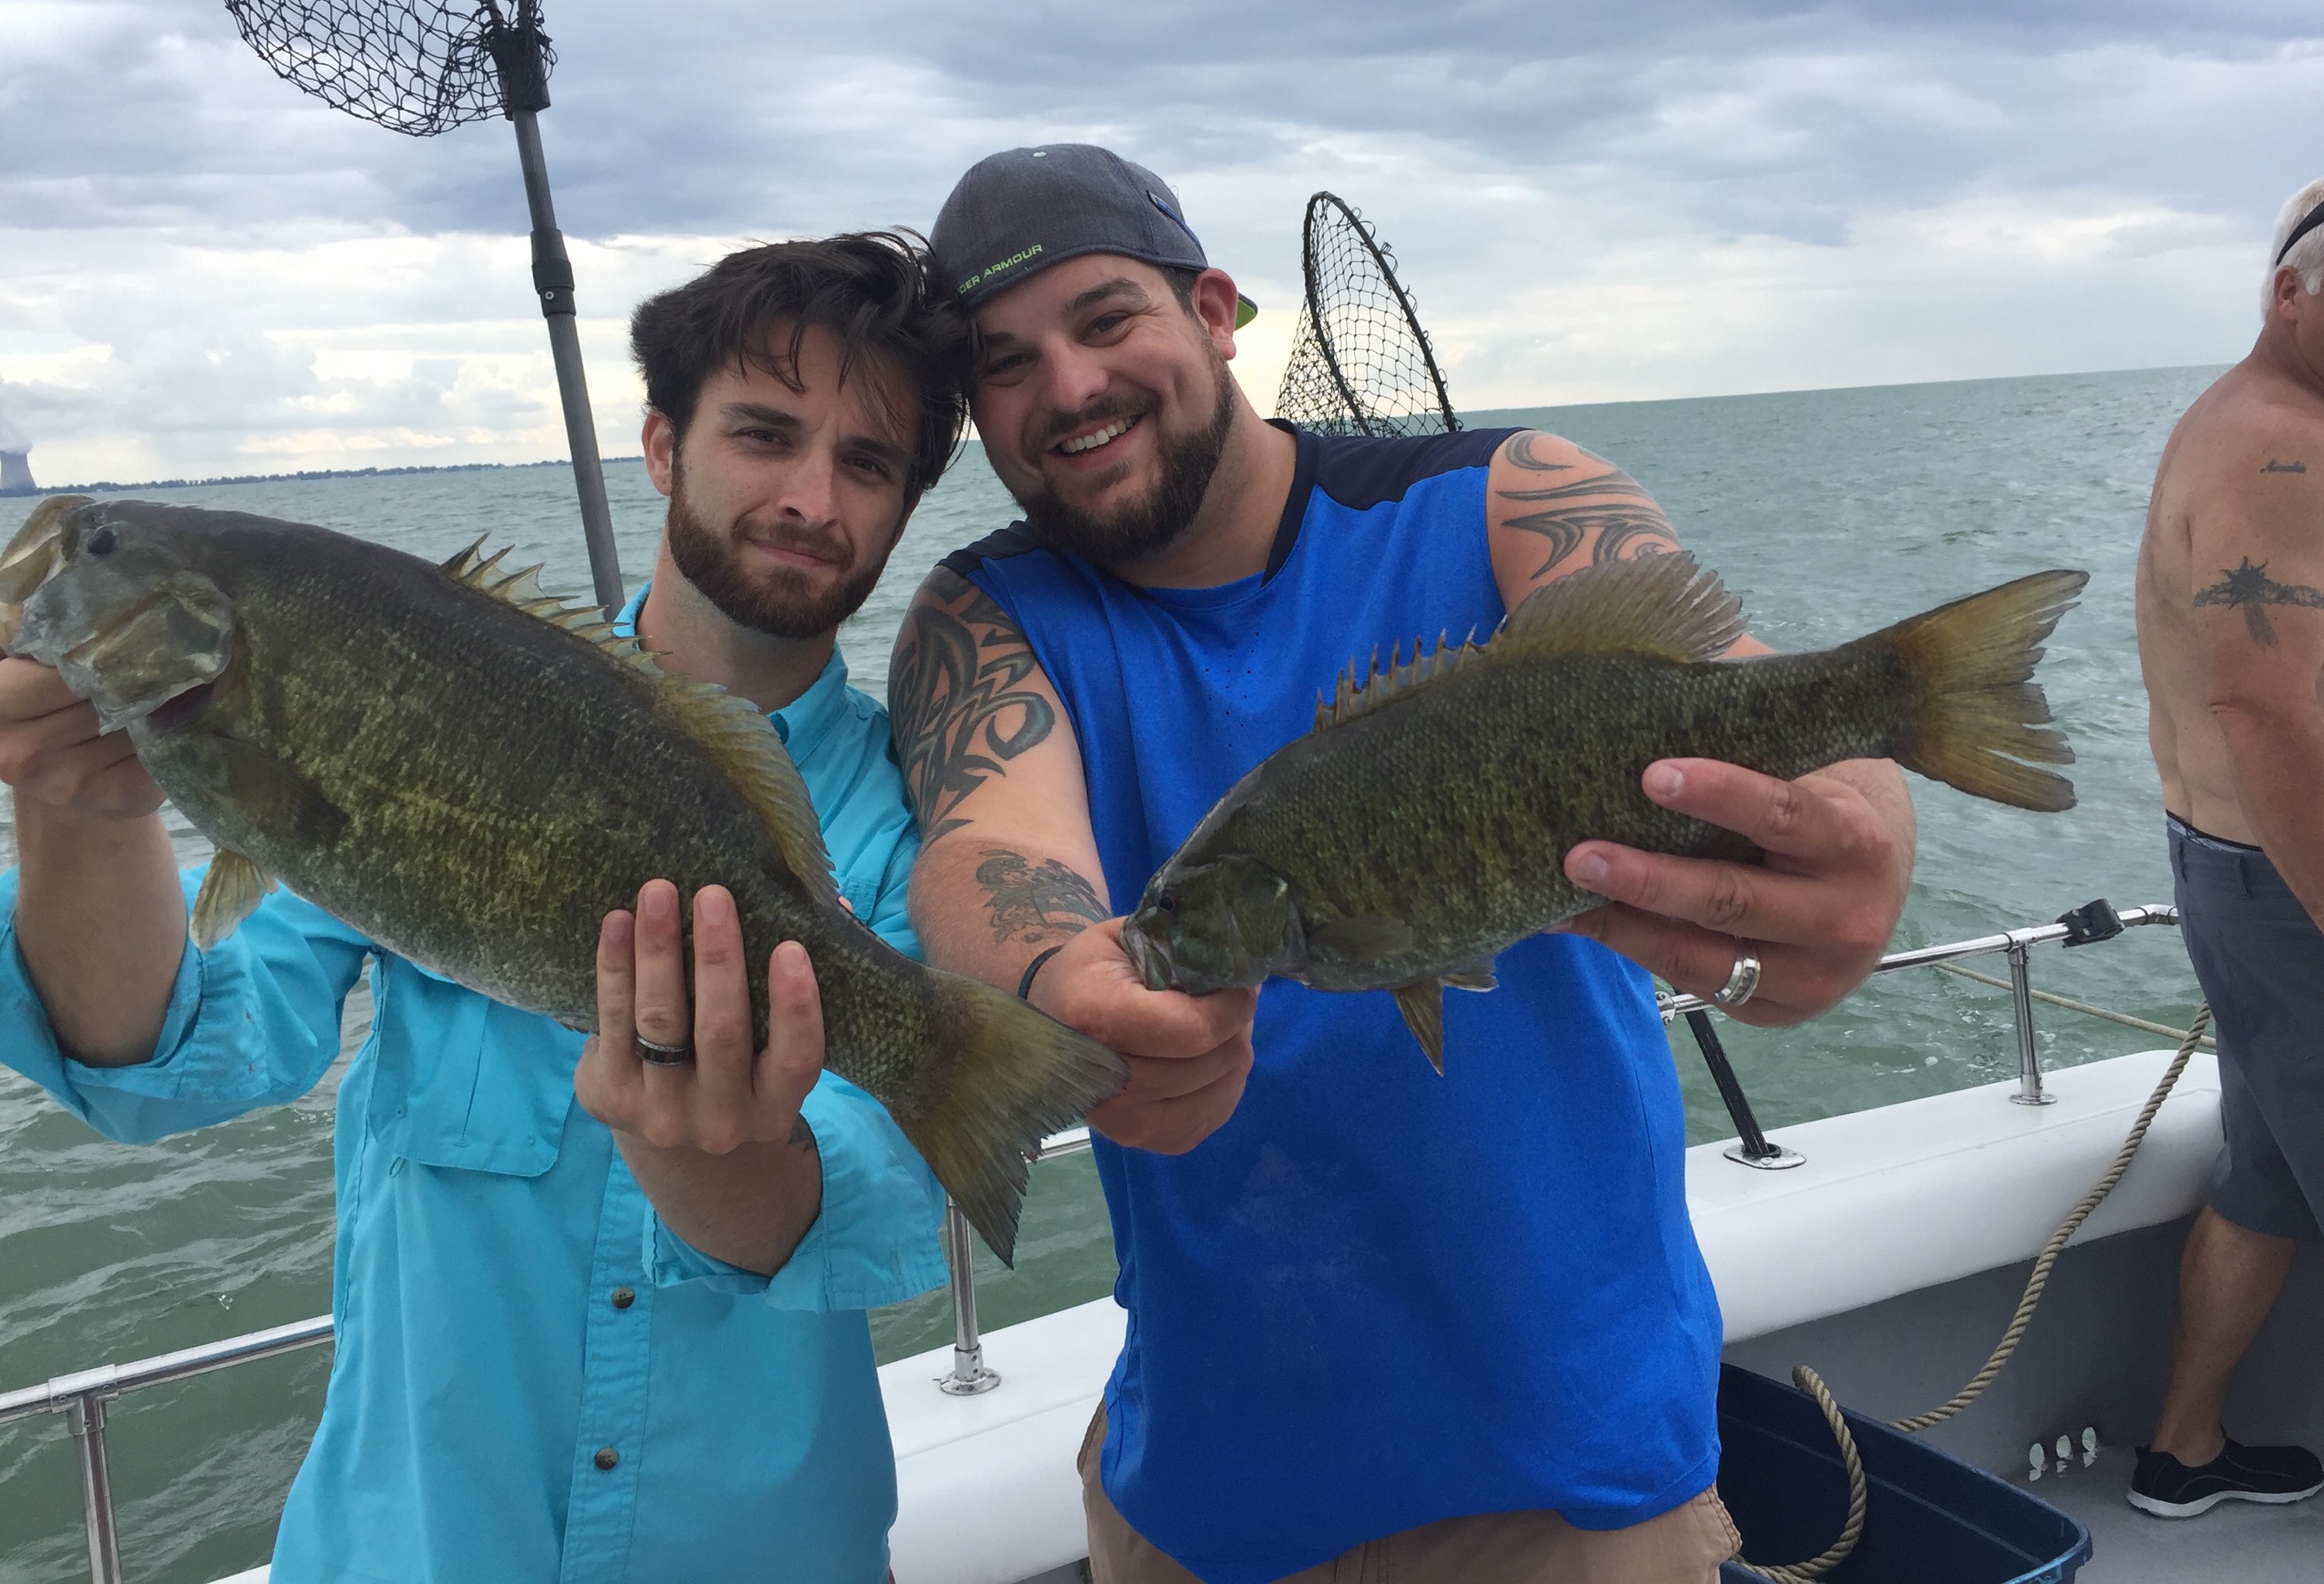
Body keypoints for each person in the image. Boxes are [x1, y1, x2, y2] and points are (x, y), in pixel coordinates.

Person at [889, 144, 1918, 1584]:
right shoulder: (984, 613)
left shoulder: (1507, 499)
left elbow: (1722, 693)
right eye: (1006, 364)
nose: (1067, 387)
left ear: (1215, 308)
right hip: (1205, 1493)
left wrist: (1861, 810)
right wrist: (1064, 980)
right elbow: (989, 842)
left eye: (1107, 319)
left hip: (1575, 1480)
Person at [0, 232, 968, 1582]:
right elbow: (168, 1060)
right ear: (661, 443)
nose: (812, 494)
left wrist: (715, 1150)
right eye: (765, 432)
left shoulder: (924, 813)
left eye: (867, 463)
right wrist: (77, 814)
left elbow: (884, 1210)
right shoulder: (447, 692)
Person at [2128, 179, 2324, 1520]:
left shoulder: (2269, 429)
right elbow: (2268, 710)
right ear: (2289, 292)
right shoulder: (2273, 447)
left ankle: (2181, 1452)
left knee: (2265, 1175)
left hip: (2240, 875)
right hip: (2291, 890)